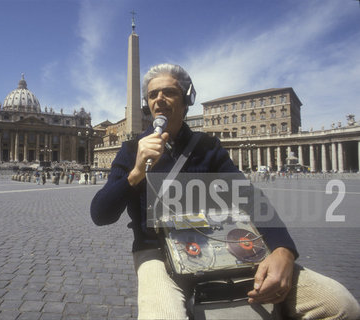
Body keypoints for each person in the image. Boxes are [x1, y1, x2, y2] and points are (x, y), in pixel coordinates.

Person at [90, 63, 360, 319]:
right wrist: (136, 173)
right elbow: (101, 214)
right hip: (157, 253)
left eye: (169, 92)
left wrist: (283, 249)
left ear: (186, 100)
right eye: (152, 95)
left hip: (219, 244)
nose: (158, 99)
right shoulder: (129, 150)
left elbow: (249, 197)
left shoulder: (207, 146)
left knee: (341, 305)